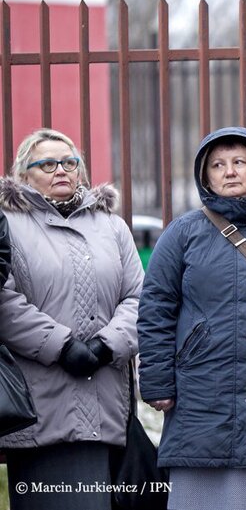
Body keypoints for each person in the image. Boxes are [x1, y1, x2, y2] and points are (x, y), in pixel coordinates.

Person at [137, 127, 246, 510]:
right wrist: (156, 380)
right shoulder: (183, 233)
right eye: (218, 165)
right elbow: (156, 307)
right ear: (205, 176)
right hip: (201, 395)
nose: (229, 172)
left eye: (240, 162)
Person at [0, 128, 142, 510]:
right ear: (23, 174)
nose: (61, 170)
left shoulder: (111, 225)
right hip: (40, 404)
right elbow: (4, 301)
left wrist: (106, 344)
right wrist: (60, 346)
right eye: (46, 163)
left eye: (69, 162)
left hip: (107, 399)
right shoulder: (7, 225)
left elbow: (138, 297)